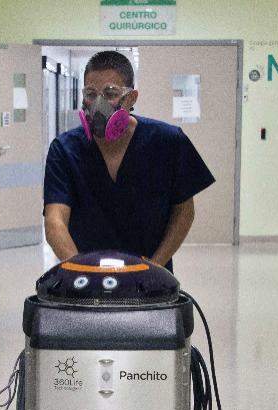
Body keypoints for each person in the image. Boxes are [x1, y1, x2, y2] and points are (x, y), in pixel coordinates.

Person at [43, 50, 215, 271]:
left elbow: (184, 211)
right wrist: (82, 271)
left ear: (131, 98)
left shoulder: (168, 142)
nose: (98, 104)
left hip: (152, 278)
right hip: (85, 279)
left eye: (110, 93)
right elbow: (55, 221)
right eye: (91, 94)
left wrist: (154, 267)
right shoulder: (64, 150)